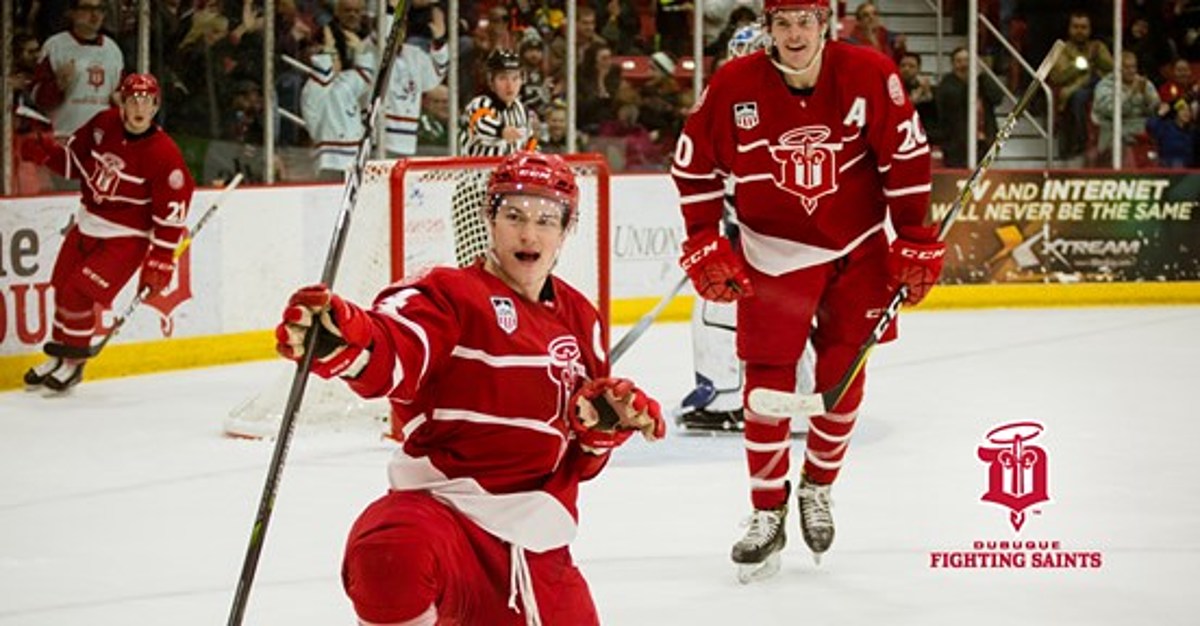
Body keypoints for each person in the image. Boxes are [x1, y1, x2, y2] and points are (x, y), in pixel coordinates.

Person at [274, 151, 666, 625]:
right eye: (514, 215)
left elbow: (582, 464)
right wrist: (350, 340)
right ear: (488, 219)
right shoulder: (448, 294)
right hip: (448, 523)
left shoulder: (581, 318)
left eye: (546, 220)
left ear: (566, 230)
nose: (529, 233)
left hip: (539, 551)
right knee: (390, 546)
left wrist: (603, 431)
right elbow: (397, 344)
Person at [671, 0, 939, 581]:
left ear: (826, 25)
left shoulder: (869, 74)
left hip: (858, 249)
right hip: (772, 253)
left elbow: (906, 158)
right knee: (765, 389)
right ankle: (767, 511)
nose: (795, 34)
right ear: (768, 30)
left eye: (805, 22)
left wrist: (914, 235)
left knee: (841, 380)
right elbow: (692, 167)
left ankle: (817, 487)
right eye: (783, 23)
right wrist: (703, 238)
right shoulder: (734, 83)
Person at [20, 73, 196, 391]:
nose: (139, 107)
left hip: (126, 237)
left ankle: (73, 362)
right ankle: (59, 354)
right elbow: (76, 163)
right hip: (87, 222)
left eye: (147, 101)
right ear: (121, 103)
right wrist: (47, 154)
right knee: (61, 286)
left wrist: (161, 257)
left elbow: (172, 212)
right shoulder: (103, 125)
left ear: (156, 106)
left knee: (79, 292)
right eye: (132, 100)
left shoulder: (164, 153)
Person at [29, 0, 124, 141]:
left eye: (100, 9)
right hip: (63, 137)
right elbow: (36, 98)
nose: (95, 15)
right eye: (87, 8)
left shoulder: (113, 49)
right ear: (71, 13)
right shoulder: (55, 46)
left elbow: (120, 97)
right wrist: (57, 85)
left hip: (101, 140)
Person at [301, 23, 375, 180]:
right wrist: (327, 48)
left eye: (335, 55)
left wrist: (361, 50)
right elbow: (322, 75)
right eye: (328, 55)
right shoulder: (313, 89)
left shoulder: (345, 80)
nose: (333, 60)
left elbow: (366, 76)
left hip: (356, 159)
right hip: (330, 163)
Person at [383, 2, 449, 157]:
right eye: (396, 25)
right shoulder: (375, 53)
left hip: (408, 143)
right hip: (378, 141)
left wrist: (439, 41)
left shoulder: (415, 54)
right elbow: (386, 41)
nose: (400, 30)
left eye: (402, 25)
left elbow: (435, 77)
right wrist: (390, 11)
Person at [935, 46, 1003, 168]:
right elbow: (956, 100)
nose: (964, 65)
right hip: (957, 145)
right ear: (953, 64)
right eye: (959, 61)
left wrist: (982, 76)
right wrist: (971, 81)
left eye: (967, 60)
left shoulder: (982, 80)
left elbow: (997, 98)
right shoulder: (947, 83)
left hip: (984, 140)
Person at [459, 48, 536, 157]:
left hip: (511, 172)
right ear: (491, 81)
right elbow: (481, 124)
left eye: (515, 78)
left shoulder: (521, 109)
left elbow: (530, 143)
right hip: (478, 172)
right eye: (502, 78)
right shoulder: (479, 104)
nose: (510, 85)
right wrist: (502, 130)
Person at [1091, 50, 1160, 166]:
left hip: (1143, 133)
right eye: (1127, 67)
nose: (1132, 71)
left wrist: (1147, 97)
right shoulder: (1104, 86)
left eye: (1134, 67)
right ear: (1117, 68)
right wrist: (1131, 93)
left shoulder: (1143, 83)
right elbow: (1111, 111)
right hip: (1115, 133)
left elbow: (1155, 110)